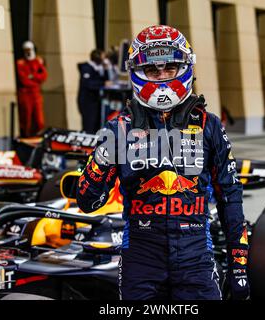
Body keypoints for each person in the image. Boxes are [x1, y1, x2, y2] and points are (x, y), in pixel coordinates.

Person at [76, 25, 250, 300]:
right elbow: (87, 202)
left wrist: (239, 264)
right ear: (137, 72)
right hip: (141, 257)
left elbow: (230, 196)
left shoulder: (209, 125)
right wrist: (102, 158)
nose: (162, 77)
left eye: (170, 68)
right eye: (153, 71)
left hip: (196, 255)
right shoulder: (118, 128)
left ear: (185, 67)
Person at [16, 41, 48, 138]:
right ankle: (27, 136)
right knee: (26, 118)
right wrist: (35, 79)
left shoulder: (38, 61)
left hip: (36, 94)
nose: (28, 52)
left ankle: (39, 137)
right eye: (26, 50)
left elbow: (44, 76)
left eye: (30, 50)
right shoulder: (20, 63)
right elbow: (24, 80)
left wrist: (32, 76)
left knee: (39, 119)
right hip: (25, 94)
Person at [77, 49, 113, 134]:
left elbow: (106, 81)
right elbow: (88, 83)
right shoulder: (86, 68)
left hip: (96, 100)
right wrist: (103, 83)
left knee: (96, 123)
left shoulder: (98, 68)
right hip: (87, 101)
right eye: (103, 57)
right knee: (89, 124)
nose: (104, 59)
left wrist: (106, 69)